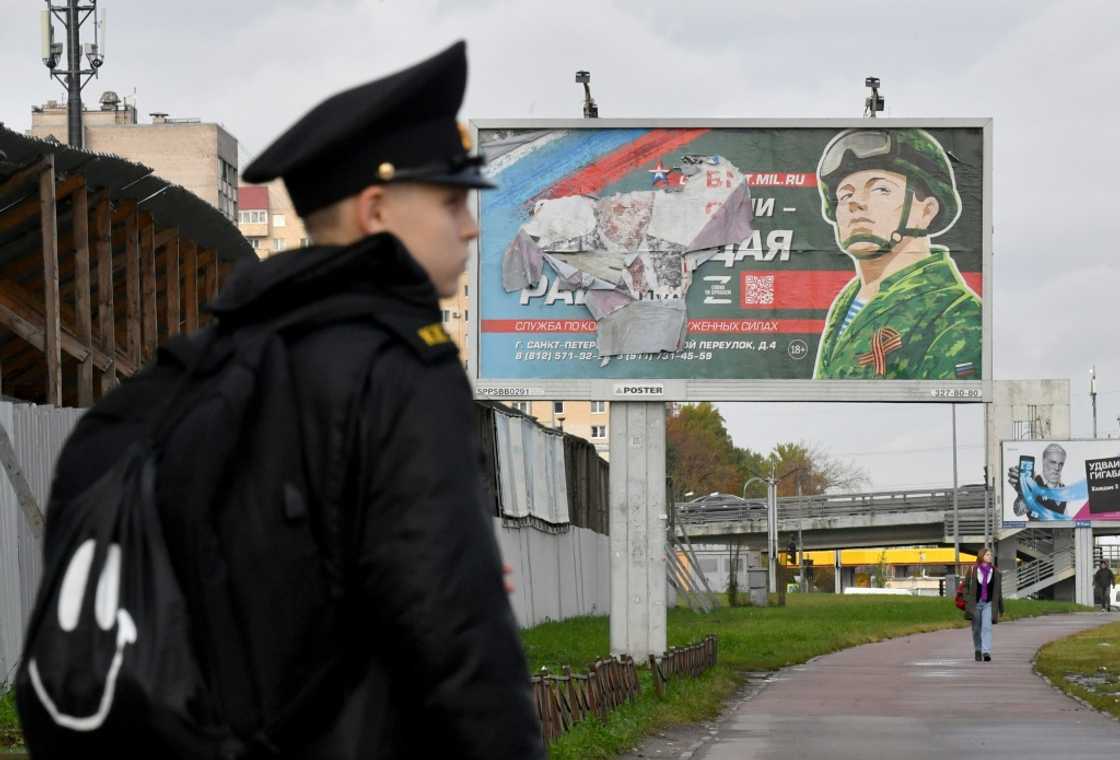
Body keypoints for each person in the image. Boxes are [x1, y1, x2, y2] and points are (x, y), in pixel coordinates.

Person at [46, 41, 545, 758]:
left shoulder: (203, 366)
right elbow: (457, 629)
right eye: (450, 199)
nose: (470, 225)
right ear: (376, 210)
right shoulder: (397, 366)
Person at [813, 129, 982, 380]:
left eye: (881, 189)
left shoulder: (957, 317)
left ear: (926, 212)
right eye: (845, 194)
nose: (855, 202)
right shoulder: (846, 303)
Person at [1008, 443, 1068, 518]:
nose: (1057, 468)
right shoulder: (1034, 483)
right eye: (1053, 462)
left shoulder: (1063, 488)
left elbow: (1063, 512)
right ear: (1044, 461)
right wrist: (1022, 494)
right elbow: (1018, 511)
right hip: (1037, 529)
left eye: (1061, 464)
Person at [964, 547, 1003, 662]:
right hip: (975, 604)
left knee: (987, 627)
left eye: (990, 555)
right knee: (976, 629)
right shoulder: (972, 570)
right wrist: (968, 598)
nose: (990, 557)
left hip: (988, 604)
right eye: (987, 555)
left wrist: (1001, 607)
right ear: (981, 556)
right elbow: (965, 586)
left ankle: (986, 651)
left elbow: (998, 591)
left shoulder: (995, 572)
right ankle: (978, 649)